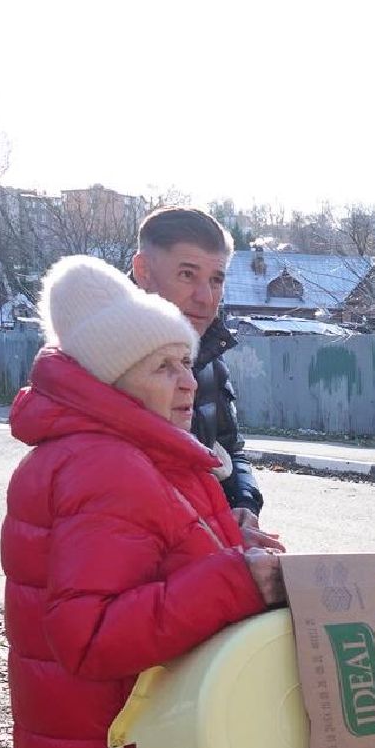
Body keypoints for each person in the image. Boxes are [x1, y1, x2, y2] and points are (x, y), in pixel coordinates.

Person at [1, 256, 295, 748]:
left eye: (185, 363)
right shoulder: (107, 464)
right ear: (114, 377)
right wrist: (238, 579)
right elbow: (92, 635)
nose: (186, 380)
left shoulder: (121, 451)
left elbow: (145, 572)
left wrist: (226, 548)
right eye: (165, 366)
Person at [131, 207, 273, 546]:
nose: (205, 297)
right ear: (143, 271)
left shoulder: (209, 357)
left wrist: (241, 504)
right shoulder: (100, 363)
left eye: (216, 279)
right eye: (187, 274)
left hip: (204, 560)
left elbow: (229, 449)